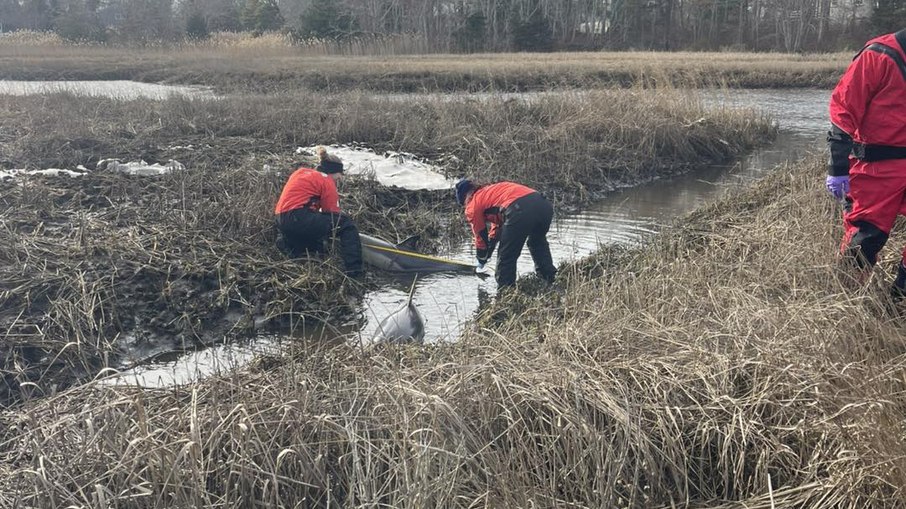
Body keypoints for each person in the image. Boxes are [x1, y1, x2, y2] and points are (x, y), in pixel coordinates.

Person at [826, 29, 906, 296]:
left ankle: (898, 303)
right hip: (876, 166)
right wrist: (838, 167)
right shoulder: (879, 55)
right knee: (866, 238)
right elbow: (843, 109)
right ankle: (843, 305)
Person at [275, 146, 363, 278]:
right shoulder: (326, 180)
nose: (338, 182)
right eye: (338, 178)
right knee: (346, 224)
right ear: (333, 172)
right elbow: (334, 215)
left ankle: (287, 244)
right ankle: (354, 270)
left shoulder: (301, 172)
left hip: (281, 219)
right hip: (299, 218)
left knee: (315, 246)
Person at [455, 178, 556, 288]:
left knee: (506, 255)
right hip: (544, 205)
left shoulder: (472, 204)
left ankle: (505, 291)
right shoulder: (490, 191)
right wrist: (490, 248)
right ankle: (549, 280)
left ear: (464, 197)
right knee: (536, 243)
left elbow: (480, 235)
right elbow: (498, 225)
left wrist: (481, 258)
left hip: (519, 209)